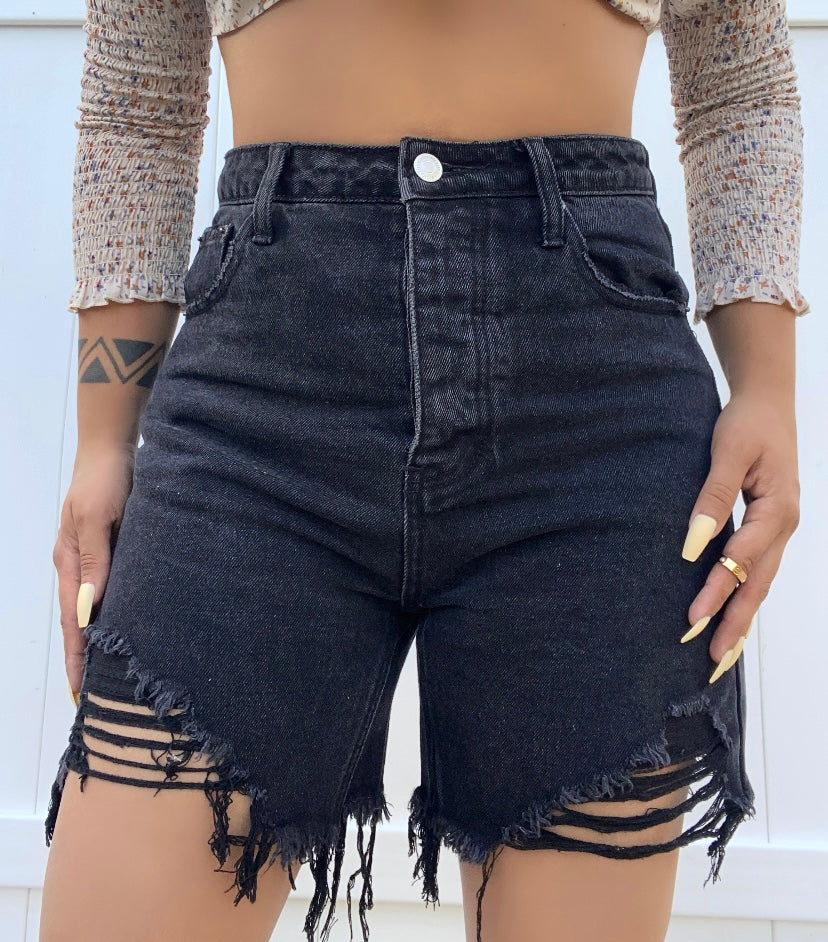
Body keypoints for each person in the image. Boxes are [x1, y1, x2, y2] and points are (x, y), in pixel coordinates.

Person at [40, 0, 808, 940]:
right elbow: (139, 106)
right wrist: (103, 439)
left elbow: (738, 84)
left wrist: (767, 389)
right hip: (260, 396)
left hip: (591, 404)